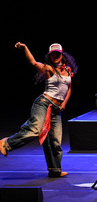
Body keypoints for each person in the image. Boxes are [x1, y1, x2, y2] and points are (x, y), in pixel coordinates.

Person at [0, 42, 77, 178]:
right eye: (53, 54)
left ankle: (55, 169)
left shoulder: (68, 70)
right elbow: (33, 62)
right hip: (43, 104)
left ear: (62, 54)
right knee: (35, 130)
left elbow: (69, 88)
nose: (55, 56)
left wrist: (64, 103)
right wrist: (25, 48)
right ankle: (6, 143)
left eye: (57, 54)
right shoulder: (48, 68)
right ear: (50, 55)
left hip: (57, 109)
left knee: (54, 141)